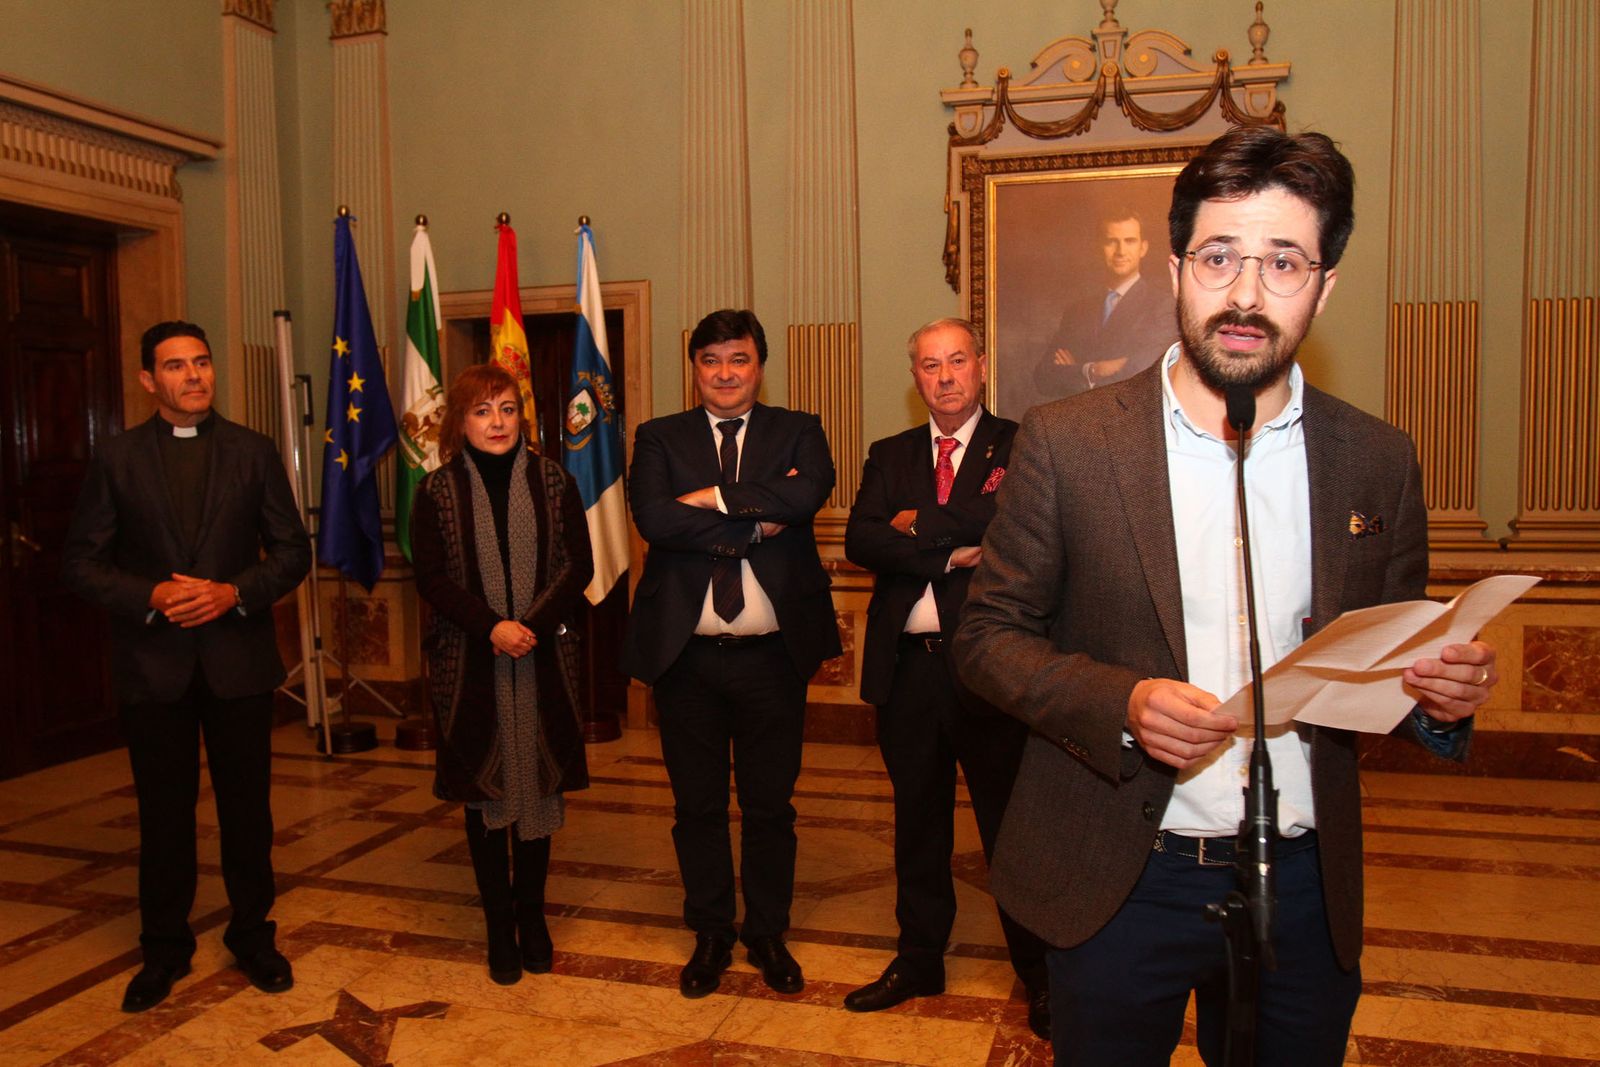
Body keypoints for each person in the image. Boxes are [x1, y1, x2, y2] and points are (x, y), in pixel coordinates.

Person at [955, 127, 1501, 1065]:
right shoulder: (1069, 442)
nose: (1247, 294)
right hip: (1119, 875)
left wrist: (1438, 698)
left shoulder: (1379, 459)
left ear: (1325, 285)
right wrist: (1119, 703)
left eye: (1283, 261)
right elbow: (988, 636)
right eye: (1220, 257)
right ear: (1177, 268)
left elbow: (1391, 650)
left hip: (1301, 878)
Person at [61, 320, 311, 1012]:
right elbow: (81, 562)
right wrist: (151, 595)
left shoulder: (253, 452)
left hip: (238, 662)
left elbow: (293, 551)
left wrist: (235, 592)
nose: (194, 375)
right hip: (154, 665)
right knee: (164, 817)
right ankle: (165, 948)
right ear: (149, 380)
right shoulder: (117, 458)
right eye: (176, 366)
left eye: (201, 362)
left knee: (247, 815)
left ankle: (254, 936)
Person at [621, 308, 840, 999]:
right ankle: (711, 930)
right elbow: (655, 518)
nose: (724, 373)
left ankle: (767, 930)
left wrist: (712, 499)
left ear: (758, 365)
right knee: (699, 805)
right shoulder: (658, 436)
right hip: (685, 656)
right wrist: (752, 525)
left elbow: (807, 492)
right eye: (711, 360)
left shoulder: (798, 429)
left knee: (771, 805)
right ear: (695, 369)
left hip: (772, 657)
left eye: (737, 359)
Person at [843, 317, 1051, 1037]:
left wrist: (916, 525)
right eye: (930, 365)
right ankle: (919, 957)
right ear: (916, 377)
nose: (945, 376)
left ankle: (1041, 974)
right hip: (908, 672)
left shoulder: (1018, 444)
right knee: (918, 824)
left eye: (957, 360)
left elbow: (1003, 517)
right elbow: (860, 537)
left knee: (1009, 830)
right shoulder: (890, 452)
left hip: (990, 672)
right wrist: (951, 548)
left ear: (982, 366)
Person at [410, 363, 593, 985]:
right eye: (484, 411)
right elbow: (431, 578)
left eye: (508, 409)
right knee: (485, 788)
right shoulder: (435, 491)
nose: (498, 422)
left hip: (543, 658)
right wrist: (491, 626)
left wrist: (527, 626)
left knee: (539, 781)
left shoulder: (554, 481)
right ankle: (497, 924)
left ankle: (532, 916)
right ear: (461, 421)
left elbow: (578, 566)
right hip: (470, 664)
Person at [1034, 208, 1177, 398]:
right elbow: (1044, 377)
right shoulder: (1077, 312)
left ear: (1143, 248)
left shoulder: (1162, 306)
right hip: (1081, 423)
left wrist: (1075, 369)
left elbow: (1141, 376)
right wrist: (1093, 369)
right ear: (1099, 247)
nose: (1120, 251)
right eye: (1111, 241)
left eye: (1129, 241)